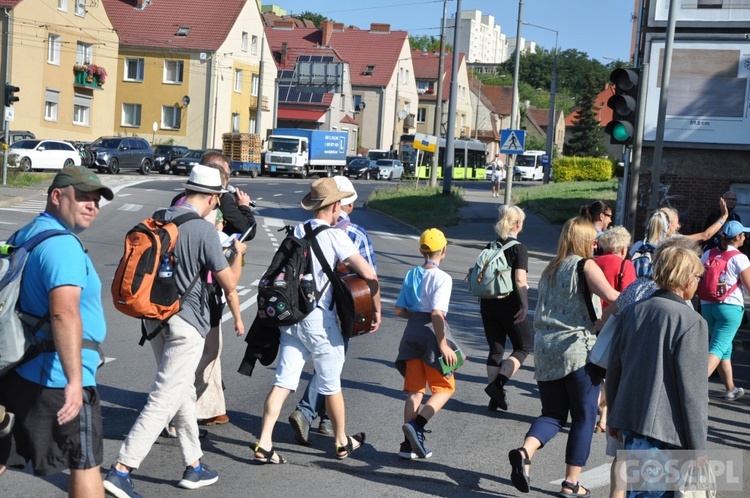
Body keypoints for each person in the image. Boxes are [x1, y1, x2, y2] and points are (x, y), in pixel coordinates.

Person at [104, 165, 246, 497]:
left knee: (179, 391)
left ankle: (194, 465)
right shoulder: (204, 231)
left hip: (154, 319)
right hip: (187, 324)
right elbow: (230, 284)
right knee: (164, 396)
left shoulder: (159, 219)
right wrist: (237, 256)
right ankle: (122, 470)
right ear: (212, 198)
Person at [0, 166, 113, 497]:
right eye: (83, 198)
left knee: (4, 452)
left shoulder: (27, 234)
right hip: (55, 378)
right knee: (85, 462)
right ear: (57, 196)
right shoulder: (63, 246)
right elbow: (64, 313)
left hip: (20, 369)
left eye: (96, 200)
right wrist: (75, 382)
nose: (91, 205)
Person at [252, 178, 380, 464]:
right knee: (331, 383)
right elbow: (368, 273)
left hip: (292, 317)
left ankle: (264, 442)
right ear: (335, 206)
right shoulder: (335, 236)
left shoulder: (298, 230)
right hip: (319, 320)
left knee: (283, 381)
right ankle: (341, 441)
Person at [507, 216, 619, 497]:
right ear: (583, 240)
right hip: (578, 352)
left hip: (546, 352)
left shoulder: (550, 268)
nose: (596, 242)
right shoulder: (585, 265)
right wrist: (603, 319)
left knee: (553, 414)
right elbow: (615, 298)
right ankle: (571, 482)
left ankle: (525, 451)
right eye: (593, 237)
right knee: (583, 417)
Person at [607, 245, 708, 497]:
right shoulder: (691, 321)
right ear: (685, 279)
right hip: (667, 431)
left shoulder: (632, 311)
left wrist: (614, 417)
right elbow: (692, 392)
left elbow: (615, 368)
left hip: (632, 420)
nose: (698, 283)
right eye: (697, 277)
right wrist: (698, 446)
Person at [288, 175, 378, 445]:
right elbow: (371, 276)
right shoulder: (354, 234)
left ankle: (326, 420)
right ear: (342, 204)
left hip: (305, 304)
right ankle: (307, 412)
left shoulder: (303, 228)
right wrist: (376, 310)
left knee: (327, 363)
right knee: (331, 363)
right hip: (346, 306)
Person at [394, 228, 458, 460]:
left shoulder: (411, 274)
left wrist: (414, 320)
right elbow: (437, 314)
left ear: (422, 250)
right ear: (444, 251)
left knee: (414, 391)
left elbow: (399, 309)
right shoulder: (443, 278)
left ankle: (406, 445)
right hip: (431, 334)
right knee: (446, 387)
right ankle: (418, 426)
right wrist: (443, 345)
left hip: (411, 332)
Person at [480, 205, 532, 412]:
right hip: (509, 304)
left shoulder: (490, 245)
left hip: (487, 303)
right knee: (523, 346)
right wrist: (525, 304)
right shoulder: (519, 248)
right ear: (518, 224)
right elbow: (520, 279)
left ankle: (494, 399)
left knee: (496, 349)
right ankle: (498, 385)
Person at [701, 220, 750, 401]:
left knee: (724, 348)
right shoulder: (740, 258)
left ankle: (731, 389)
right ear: (737, 237)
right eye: (743, 234)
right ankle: (694, 386)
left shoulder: (708, 253)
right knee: (718, 347)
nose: (745, 236)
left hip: (707, 306)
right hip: (730, 308)